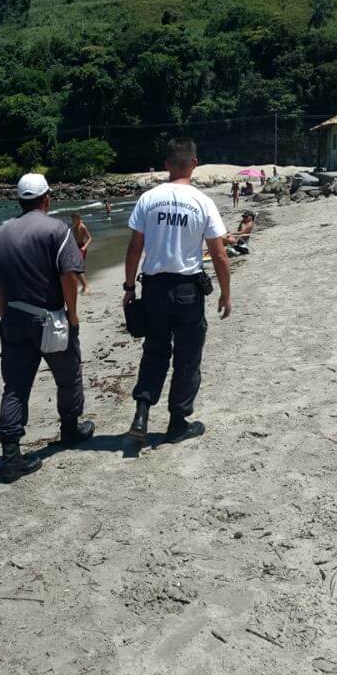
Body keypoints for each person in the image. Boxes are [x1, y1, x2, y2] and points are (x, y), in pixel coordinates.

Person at [122, 138, 231, 445]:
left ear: (166, 164)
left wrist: (129, 287)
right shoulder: (202, 202)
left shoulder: (149, 199)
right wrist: (226, 292)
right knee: (187, 357)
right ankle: (177, 422)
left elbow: (134, 249)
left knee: (155, 352)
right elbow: (219, 254)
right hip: (187, 290)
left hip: (154, 288)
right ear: (194, 163)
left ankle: (142, 413)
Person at [0, 173, 94, 482]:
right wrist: (72, 315)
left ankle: (10, 457)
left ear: (20, 201)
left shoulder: (3, 231)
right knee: (68, 376)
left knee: (16, 387)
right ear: (47, 199)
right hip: (49, 319)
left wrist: (1, 311)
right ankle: (70, 430)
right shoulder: (57, 230)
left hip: (14, 318)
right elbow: (68, 276)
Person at [71, 213, 92, 294]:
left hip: (81, 248)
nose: (73, 221)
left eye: (74, 219)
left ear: (78, 218)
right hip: (75, 248)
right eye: (72, 219)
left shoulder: (82, 226)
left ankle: (86, 287)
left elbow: (90, 238)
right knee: (76, 266)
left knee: (77, 266)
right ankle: (83, 286)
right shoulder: (74, 227)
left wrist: (84, 247)